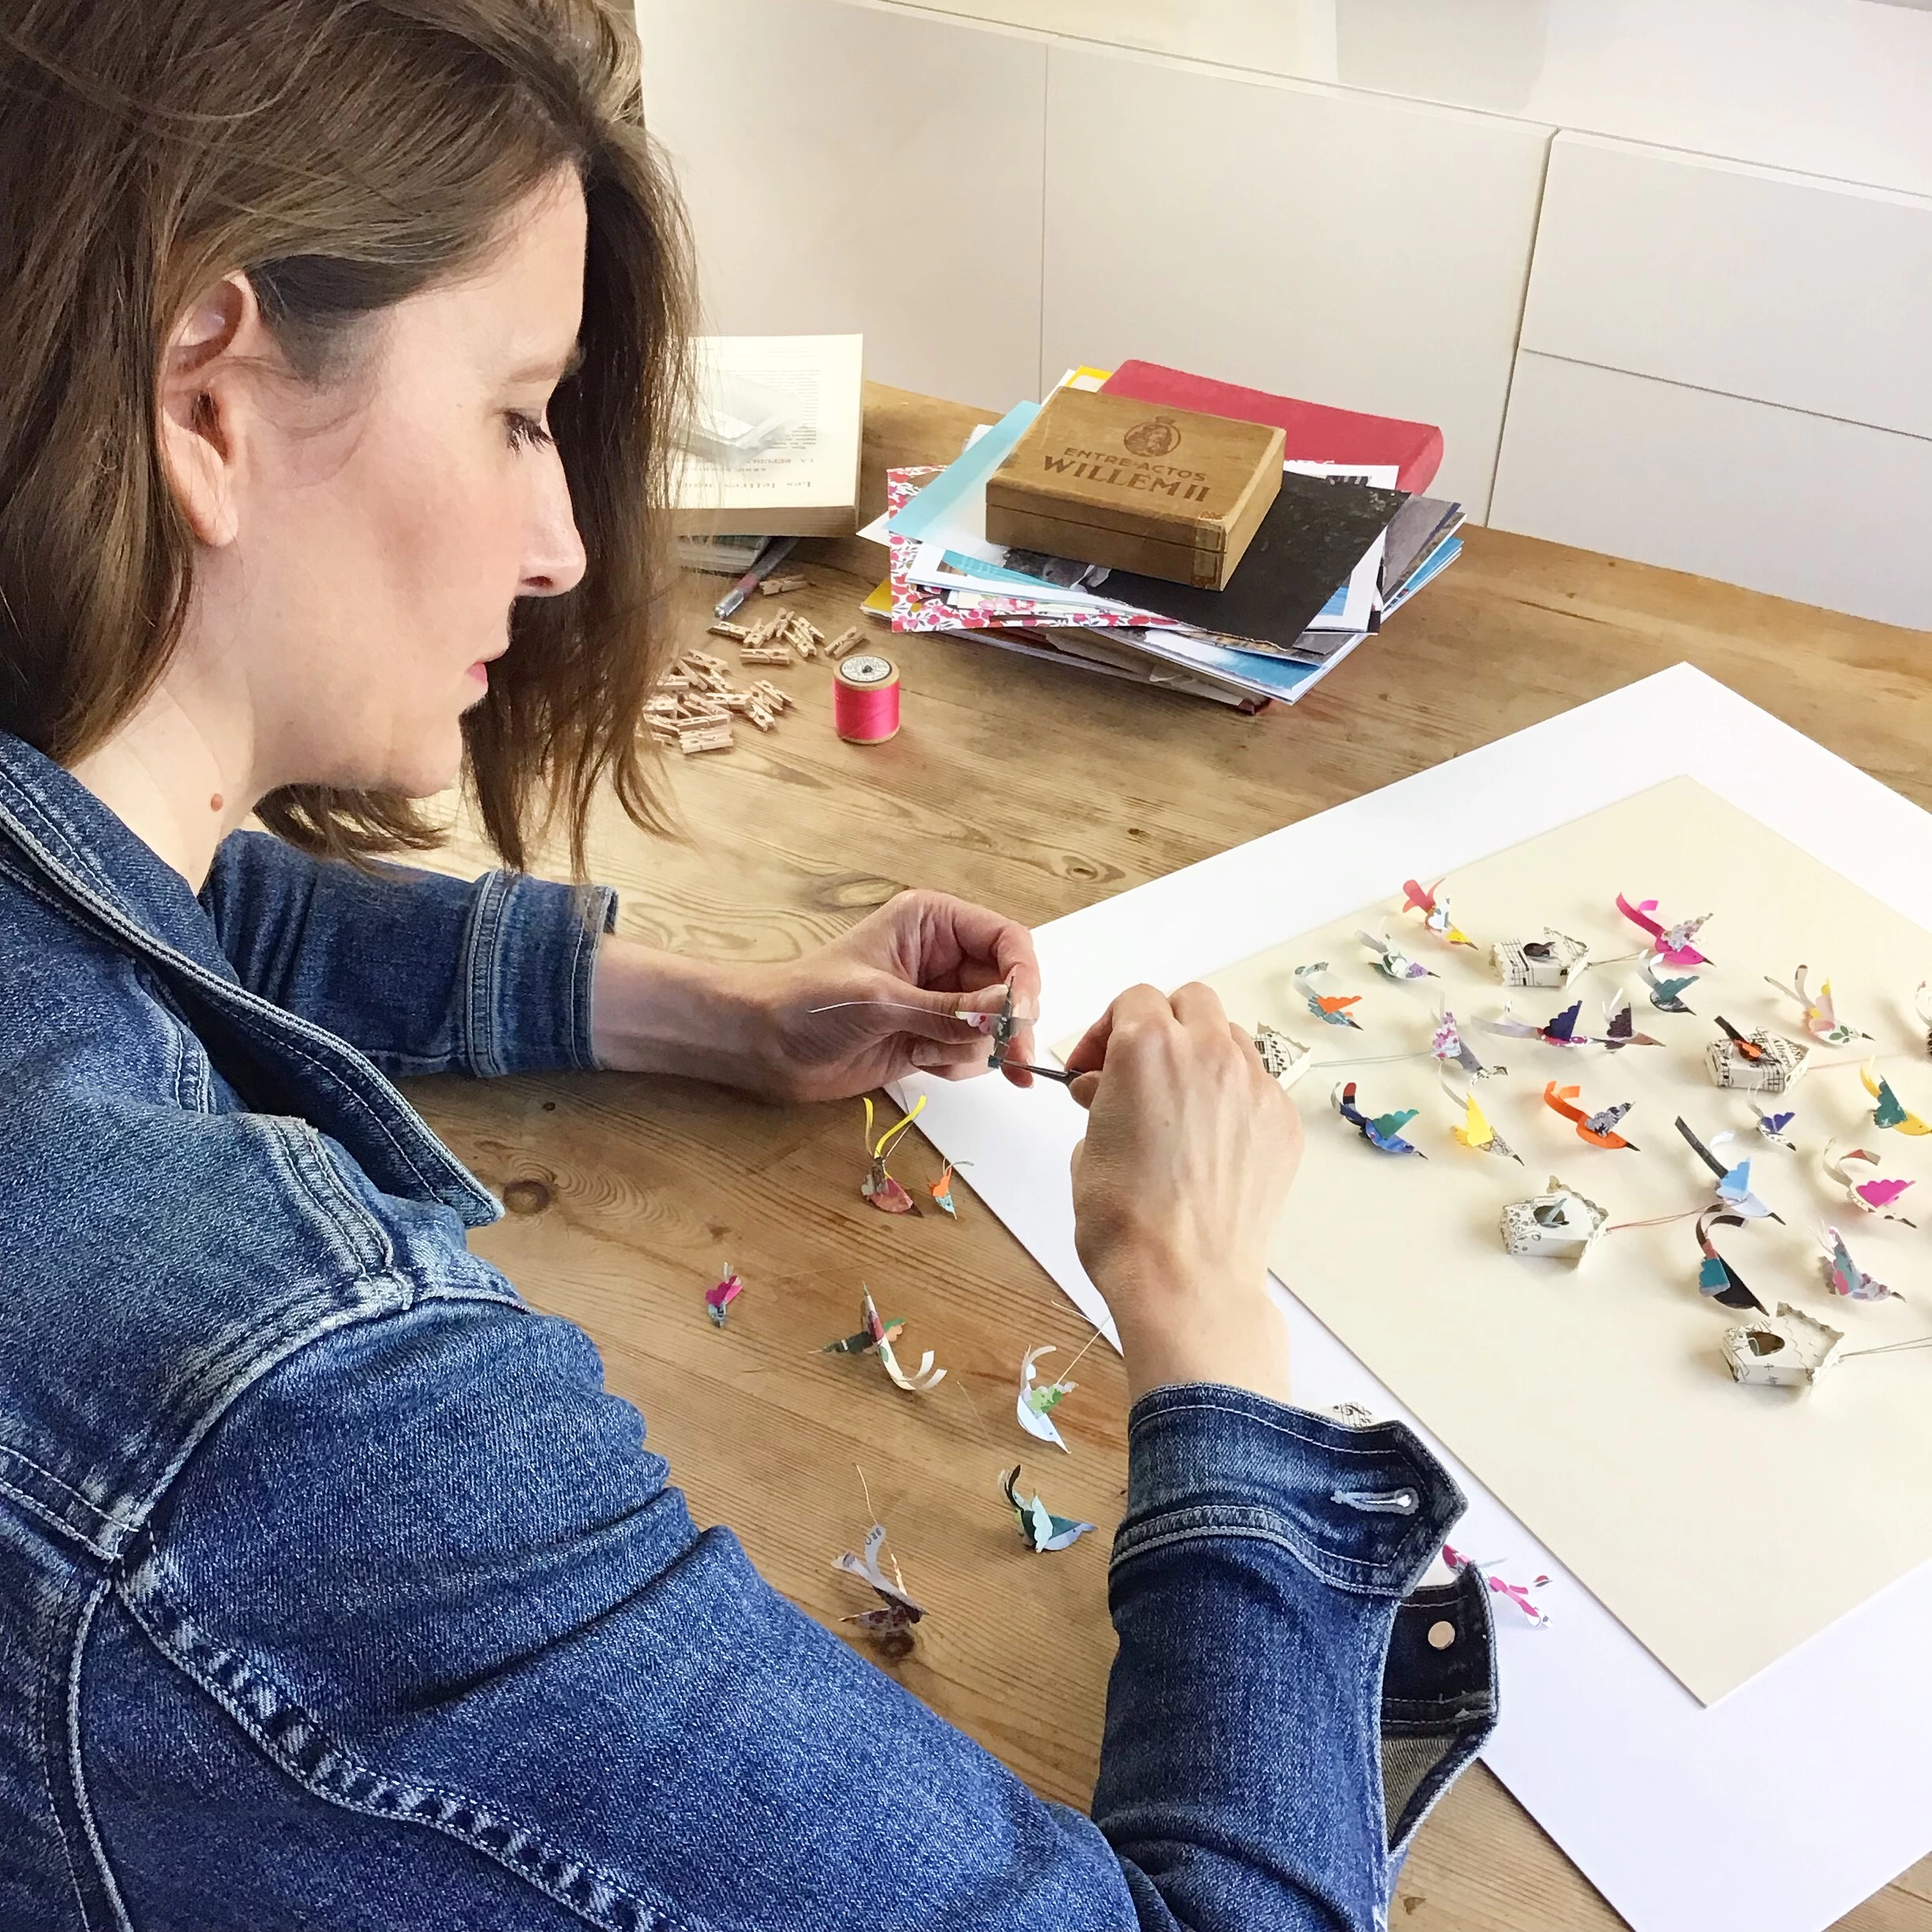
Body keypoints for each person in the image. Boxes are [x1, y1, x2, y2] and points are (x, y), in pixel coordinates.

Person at [0, 2, 1495, 1926]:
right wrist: (1207, 1322)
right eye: (519, 410)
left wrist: (713, 1004)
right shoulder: (299, 1421)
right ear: (208, 399)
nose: (557, 543)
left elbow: (182, 908)